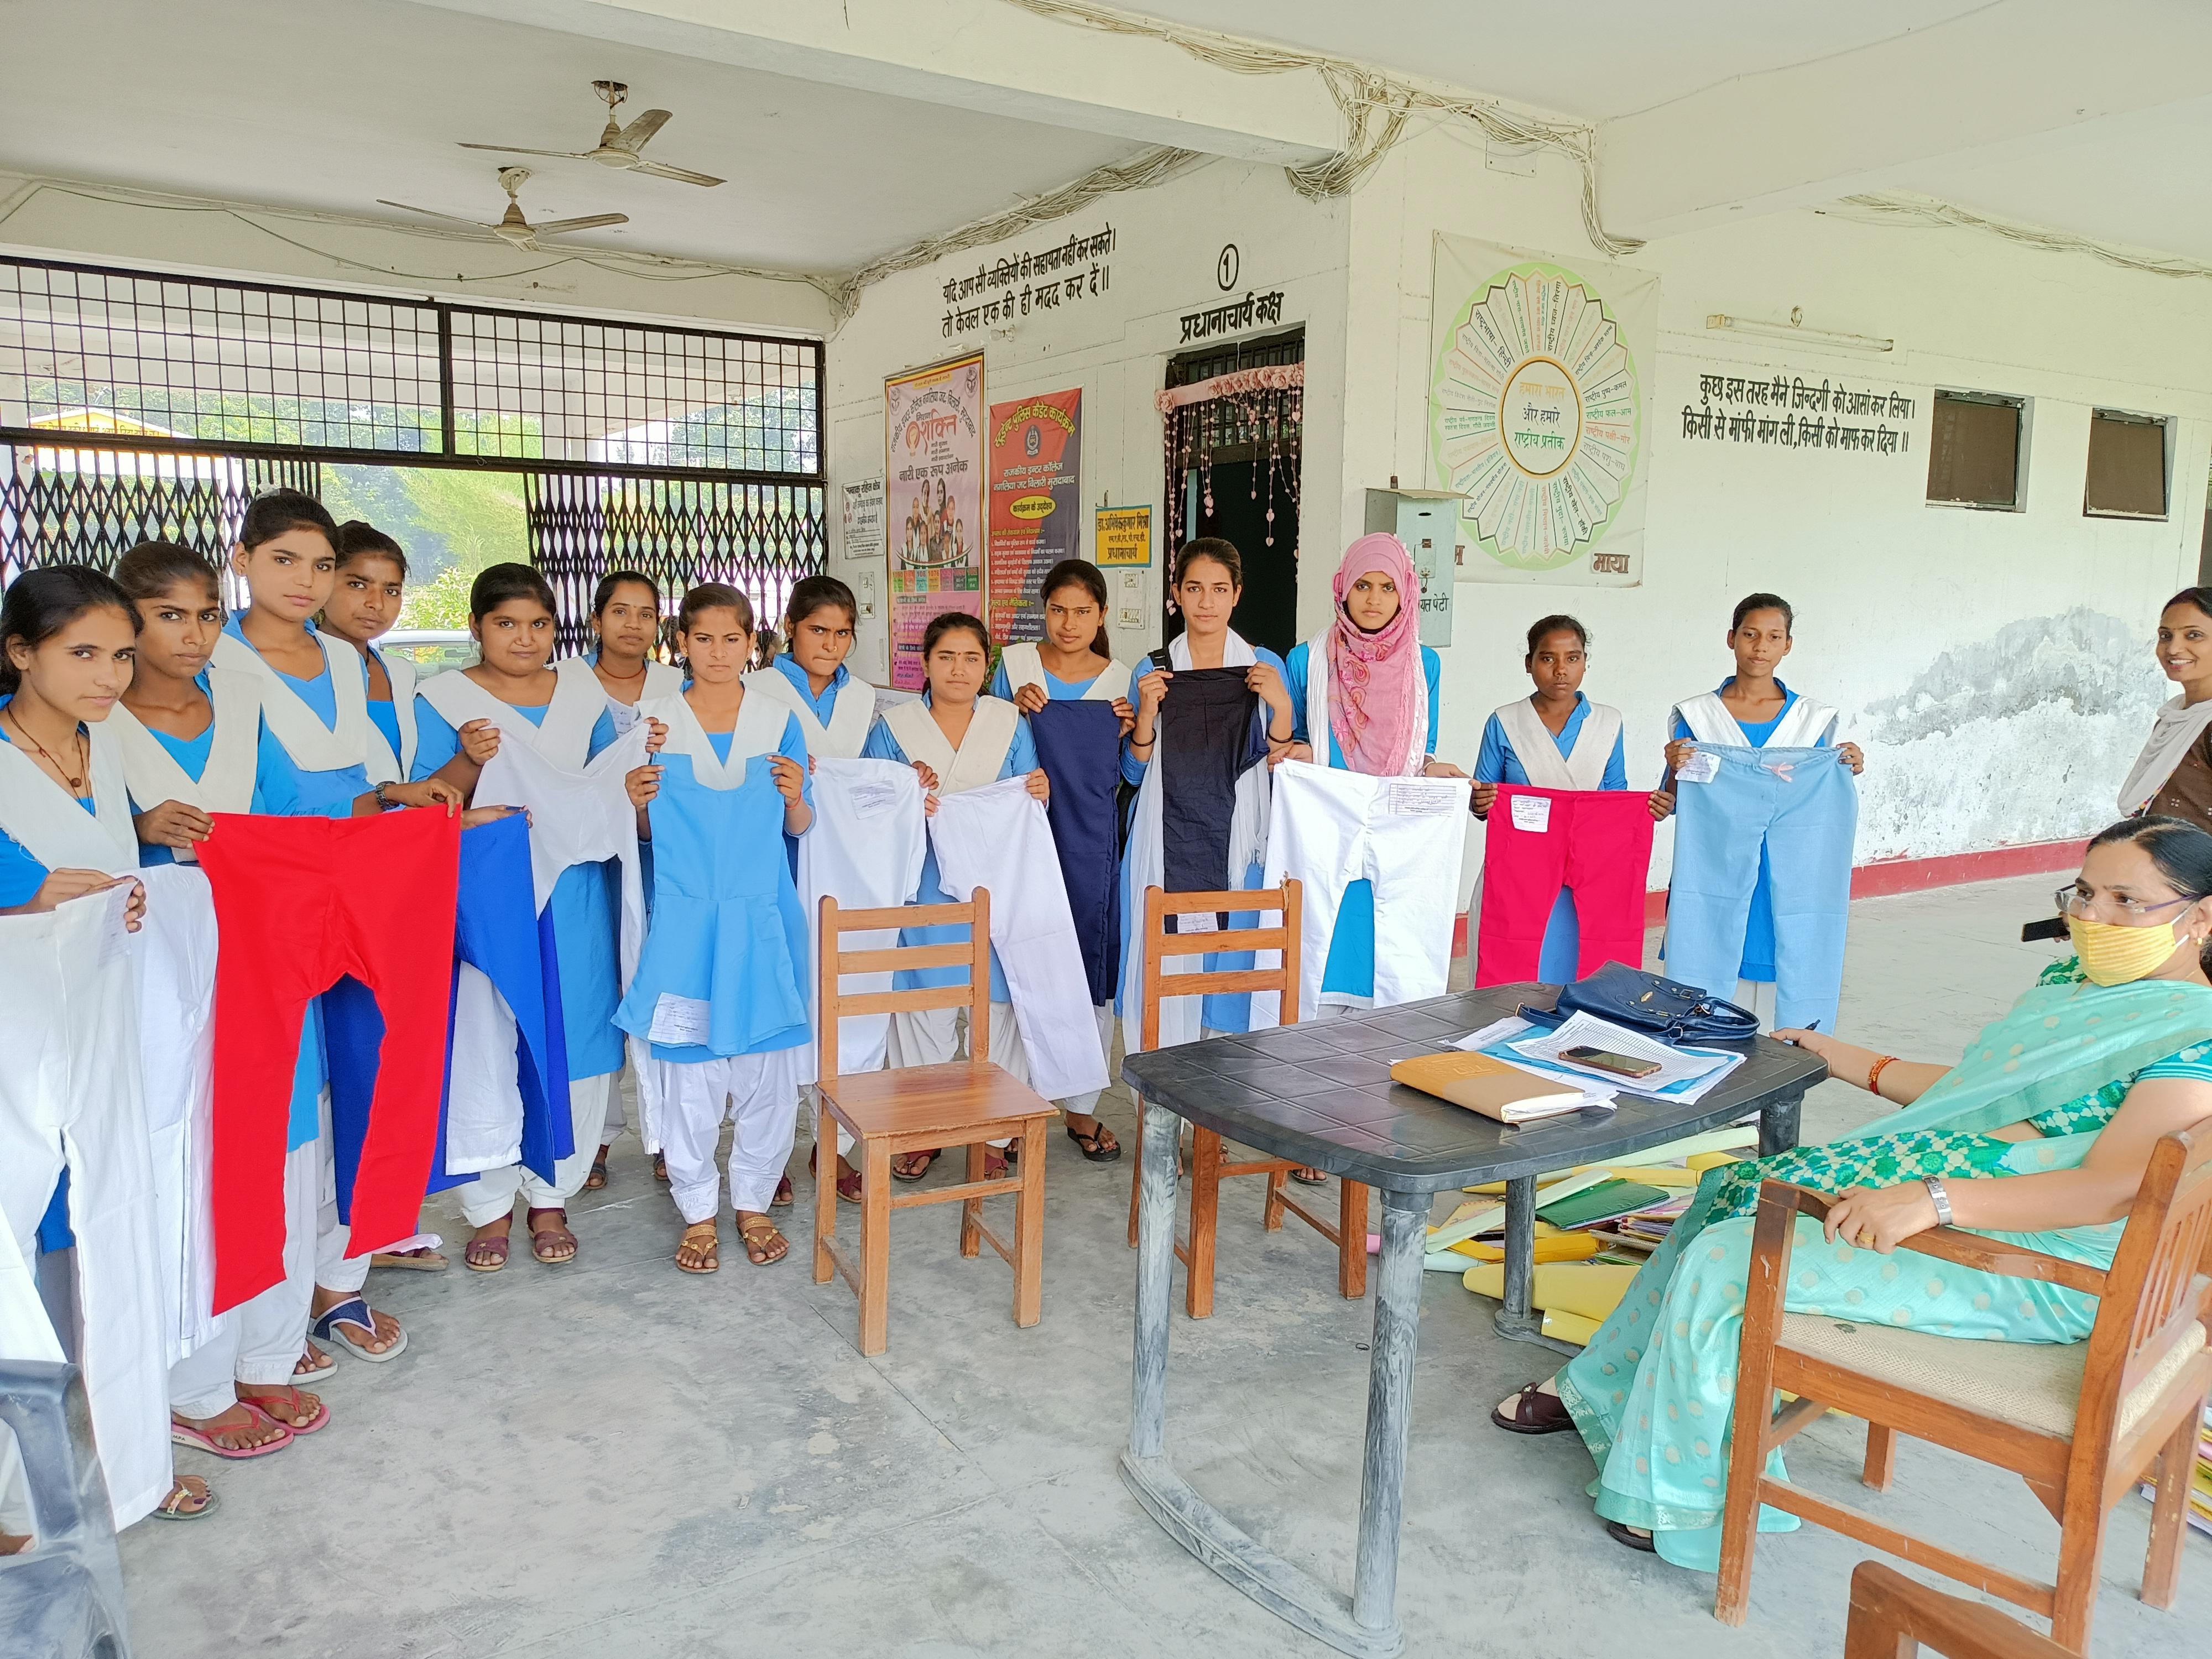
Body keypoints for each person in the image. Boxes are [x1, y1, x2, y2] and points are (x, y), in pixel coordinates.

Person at [1493, 813, 2212, 1567]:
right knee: (1728, 1191)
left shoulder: (2192, 1040)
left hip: (2044, 1263)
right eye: (2085, 893)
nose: (2093, 918)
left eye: (2126, 902)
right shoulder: (2077, 984)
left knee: (1730, 1259)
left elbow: (2106, 1191)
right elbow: (1978, 1096)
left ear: (2199, 917)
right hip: (1978, 1201)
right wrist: (1843, 1058)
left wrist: (1933, 1200)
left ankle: (1686, 1496)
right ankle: (1603, 1391)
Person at [216, 492, 458, 1399]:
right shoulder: (212, 656)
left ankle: (337, 1280)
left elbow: (360, 784)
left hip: (358, 887)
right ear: (243, 559)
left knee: (362, 1082)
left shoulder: (349, 663)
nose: (307, 582)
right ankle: (255, 1316)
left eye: (321, 566)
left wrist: (402, 801)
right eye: (286, 561)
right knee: (278, 1104)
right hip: (252, 895)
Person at [0, 566, 190, 1522]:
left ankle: (132, 1464)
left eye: (120, 654)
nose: (109, 675)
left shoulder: (100, 743)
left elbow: (105, 857)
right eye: (82, 653)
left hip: (103, 1010)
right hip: (14, 1020)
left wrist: (136, 867)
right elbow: (39, 880)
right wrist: (25, 896)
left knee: (114, 1215)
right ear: (20, 653)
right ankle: (13, 1492)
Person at [414, 564, 627, 1272]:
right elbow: (421, 802)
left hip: (575, 895)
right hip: (488, 897)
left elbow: (610, 786)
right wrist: (465, 763)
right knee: (487, 1036)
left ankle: (552, 1195)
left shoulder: (583, 696)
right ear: (476, 627)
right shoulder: (443, 701)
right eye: (506, 624)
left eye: (539, 624)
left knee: (576, 1036)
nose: (525, 638)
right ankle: (488, 1205)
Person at [623, 584, 812, 1271]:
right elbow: (644, 835)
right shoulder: (654, 724)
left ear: (752, 644)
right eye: (703, 639)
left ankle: (754, 1202)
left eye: (732, 639)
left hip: (763, 921)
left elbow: (801, 826)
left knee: (767, 1074)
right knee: (690, 1076)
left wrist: (795, 797)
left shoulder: (777, 720)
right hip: (686, 925)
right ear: (681, 644)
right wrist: (636, 804)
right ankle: (698, 1209)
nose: (718, 652)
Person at [861, 611, 1051, 1181]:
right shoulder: (895, 727)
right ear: (925, 663)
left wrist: (1039, 790)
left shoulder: (1008, 721)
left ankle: (993, 1133)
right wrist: (904, 797)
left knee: (999, 1010)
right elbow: (868, 805)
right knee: (924, 1008)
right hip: (924, 890)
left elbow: (1029, 798)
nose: (958, 669)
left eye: (971, 658)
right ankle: (925, 1129)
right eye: (946, 657)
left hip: (997, 891)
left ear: (986, 665)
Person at [748, 576, 911, 1202]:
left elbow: (873, 777)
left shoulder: (863, 698)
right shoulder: (757, 690)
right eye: (818, 630)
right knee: (780, 1001)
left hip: (842, 870)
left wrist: (907, 779)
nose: (831, 644)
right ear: (791, 627)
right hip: (773, 861)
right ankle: (767, 1153)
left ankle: (831, 1145)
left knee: (843, 997)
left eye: (843, 633)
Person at [1120, 538, 1294, 1052]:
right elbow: (1132, 772)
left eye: (1219, 590)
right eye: (1194, 588)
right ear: (1176, 593)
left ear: (1237, 595)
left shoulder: (1263, 665)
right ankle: (1164, 1082)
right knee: (1169, 957)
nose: (1206, 602)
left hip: (1241, 835)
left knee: (1233, 962)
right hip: (1165, 832)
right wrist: (1146, 716)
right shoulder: (1152, 669)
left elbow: (1280, 762)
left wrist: (1282, 706)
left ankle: (1225, 1087)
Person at [989, 560, 1134, 1161]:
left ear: (1101, 616)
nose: (1069, 623)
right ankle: (1009, 1112)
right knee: (1017, 969)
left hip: (1091, 844)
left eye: (1082, 612)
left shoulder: (1122, 681)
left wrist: (1133, 732)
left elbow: (1133, 773)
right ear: (1043, 611)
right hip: (1021, 840)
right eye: (1057, 610)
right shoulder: (1014, 668)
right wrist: (1008, 708)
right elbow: (981, 742)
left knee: (1085, 970)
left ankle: (1079, 1107)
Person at [1663, 593, 1864, 1024]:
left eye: (1774, 637)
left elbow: (1823, 799)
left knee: (1781, 1001)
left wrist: (1846, 763)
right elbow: (1675, 801)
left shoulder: (1812, 720)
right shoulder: (1698, 716)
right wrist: (1674, 765)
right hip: (1713, 867)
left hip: (1788, 877)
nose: (1760, 647)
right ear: (1732, 639)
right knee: (1705, 1007)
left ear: (1788, 645)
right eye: (1750, 635)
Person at [560, 570, 681, 1191]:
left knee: (662, 989)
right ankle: (598, 1134)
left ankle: (669, 1132)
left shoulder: (677, 686)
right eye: (620, 611)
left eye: (646, 613)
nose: (633, 624)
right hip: (586, 865)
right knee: (595, 991)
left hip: (662, 861)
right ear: (597, 618)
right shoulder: (564, 685)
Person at [1473, 614, 1669, 984]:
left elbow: (1614, 799)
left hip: (1593, 870)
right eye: (1548, 658)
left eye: (1573, 658)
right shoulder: (1505, 721)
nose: (1561, 670)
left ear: (1585, 663)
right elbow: (1483, 800)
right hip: (1520, 872)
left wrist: (1646, 810)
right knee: (1516, 965)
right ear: (1529, 663)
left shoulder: (1607, 722)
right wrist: (1480, 802)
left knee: (1590, 964)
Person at [319, 521, 419, 785]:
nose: (376, 603)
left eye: (391, 591)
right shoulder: (300, 669)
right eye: (358, 585)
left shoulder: (401, 673)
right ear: (323, 582)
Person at [2120, 586, 2212, 831]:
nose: (2173, 649)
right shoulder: (2173, 717)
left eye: (2194, 635)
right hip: (2155, 851)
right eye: (2166, 636)